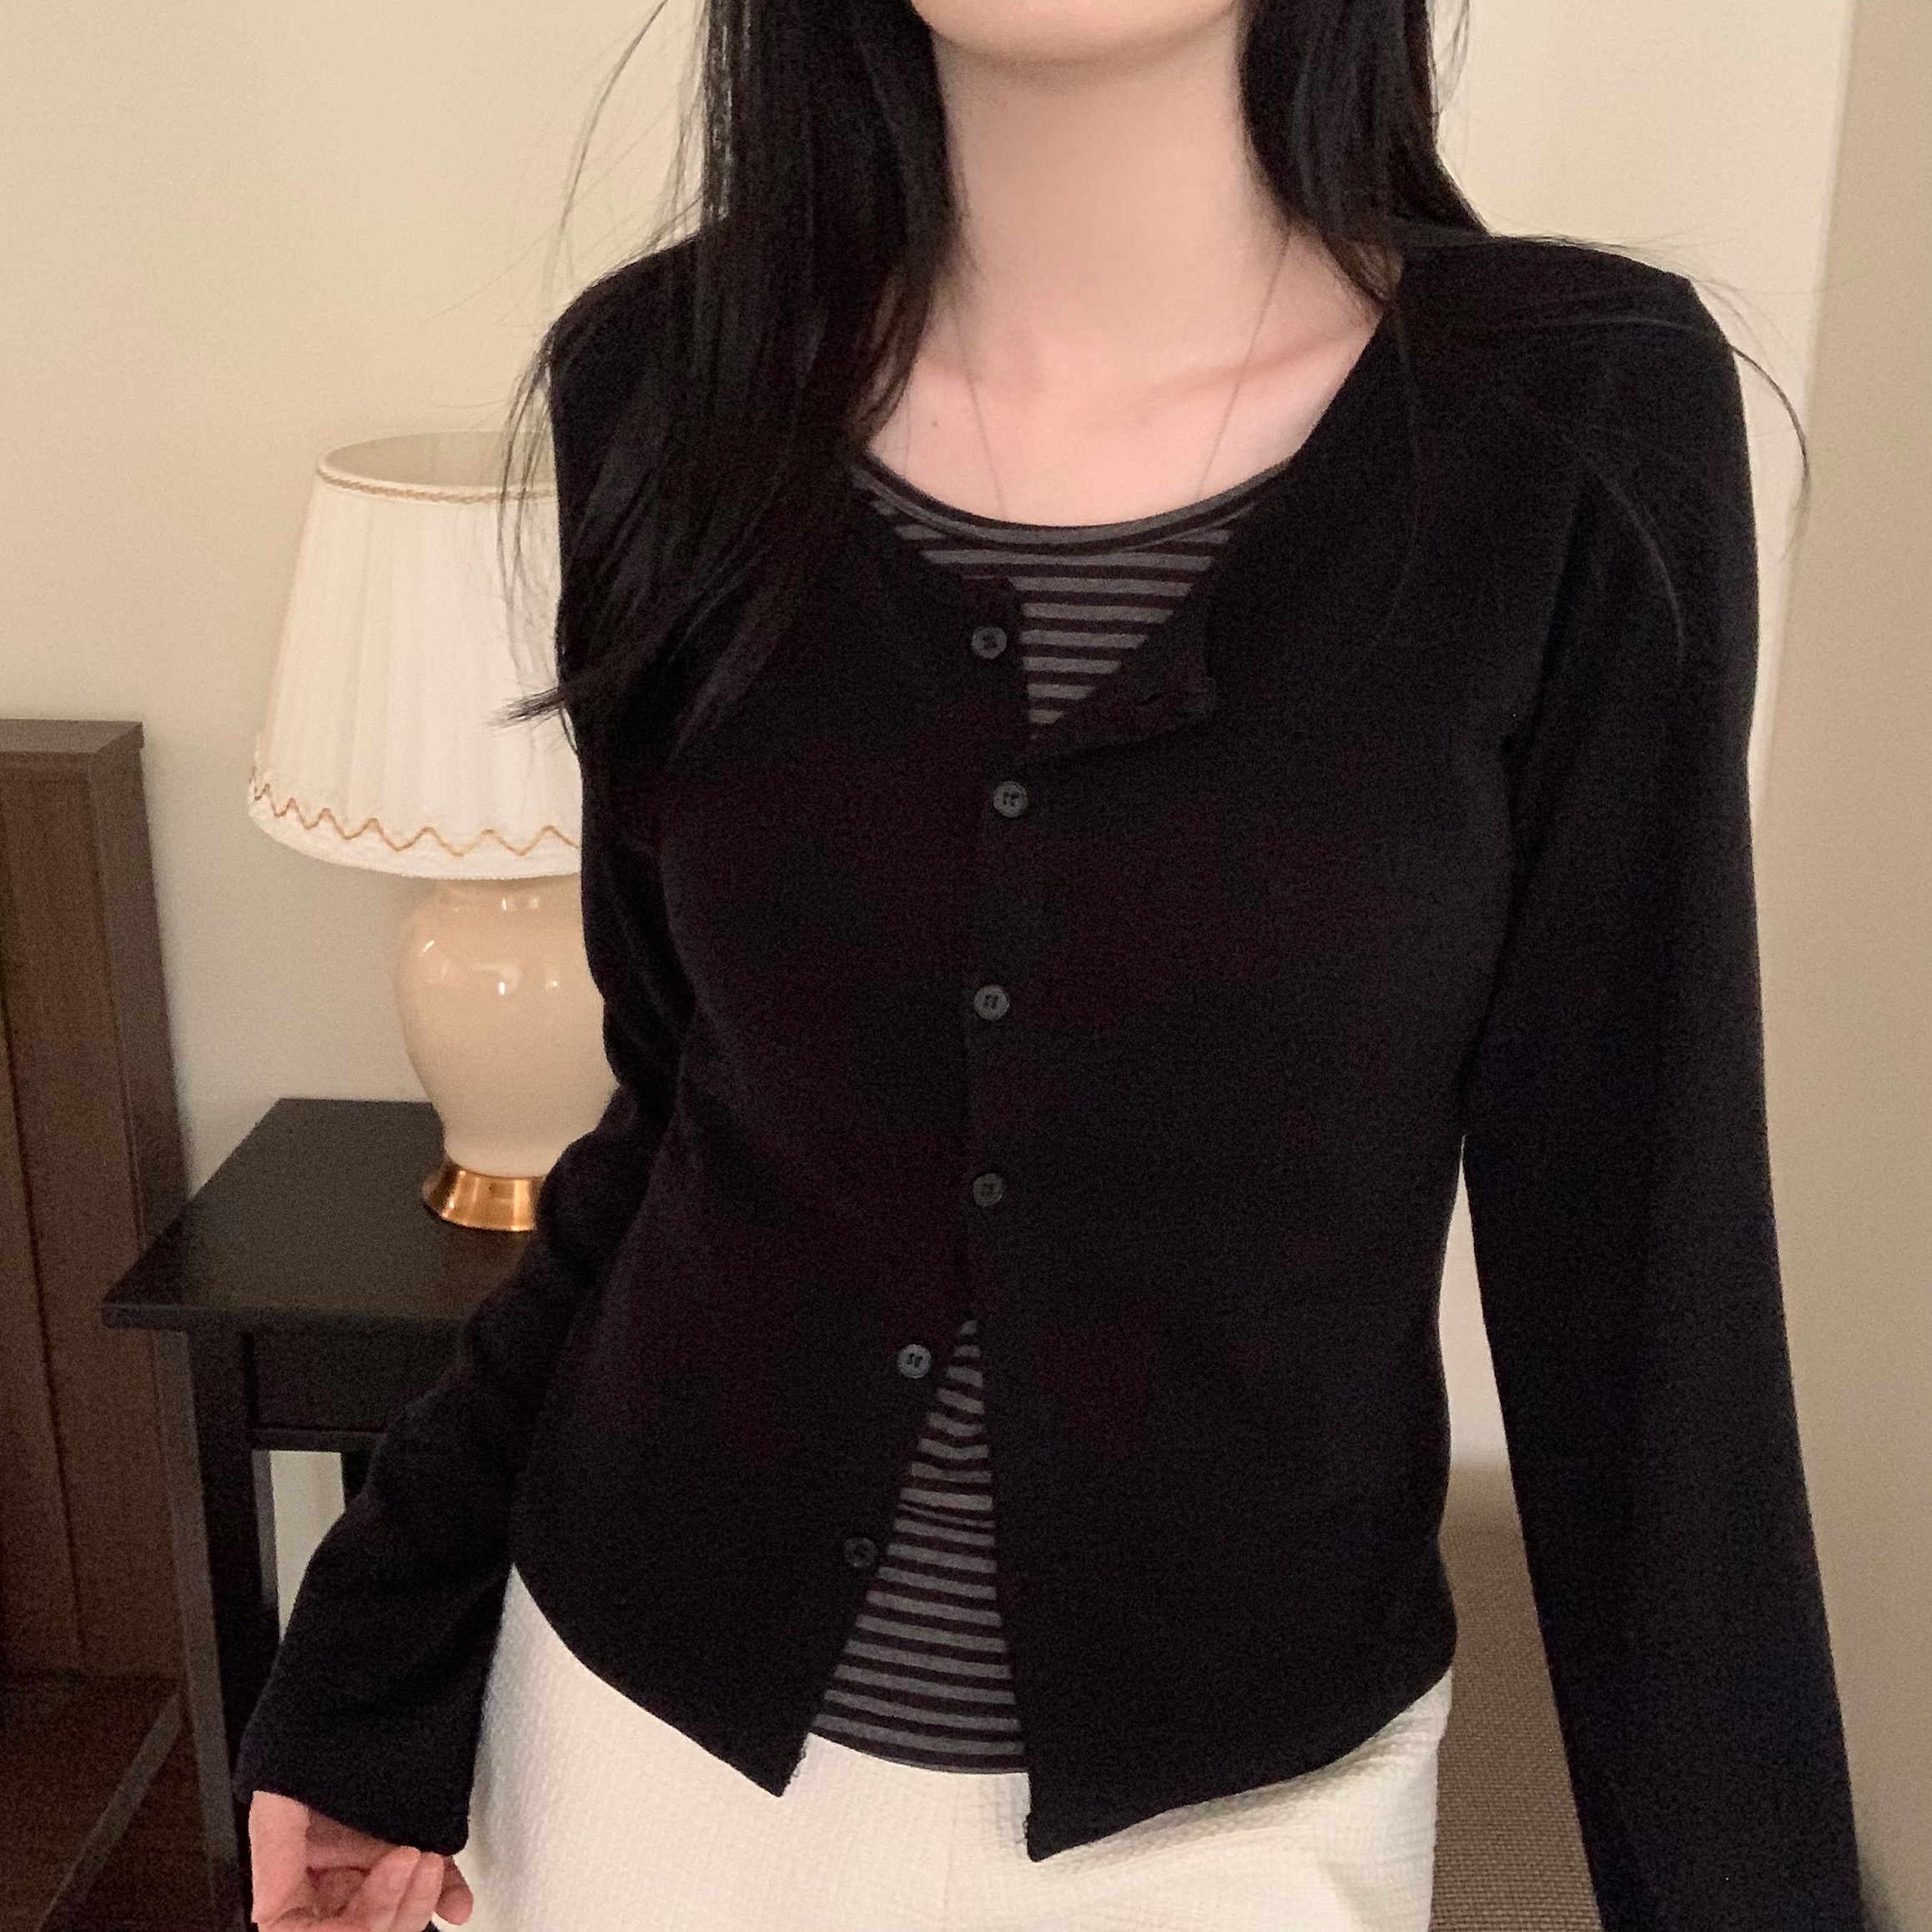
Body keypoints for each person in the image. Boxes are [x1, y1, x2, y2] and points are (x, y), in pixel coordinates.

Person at [235, 3, 1867, 1929]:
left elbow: (1642, 1281)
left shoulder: (1574, 425)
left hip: (1239, 1817)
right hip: (628, 1750)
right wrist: (378, 1657)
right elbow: (673, 1111)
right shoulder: (660, 384)